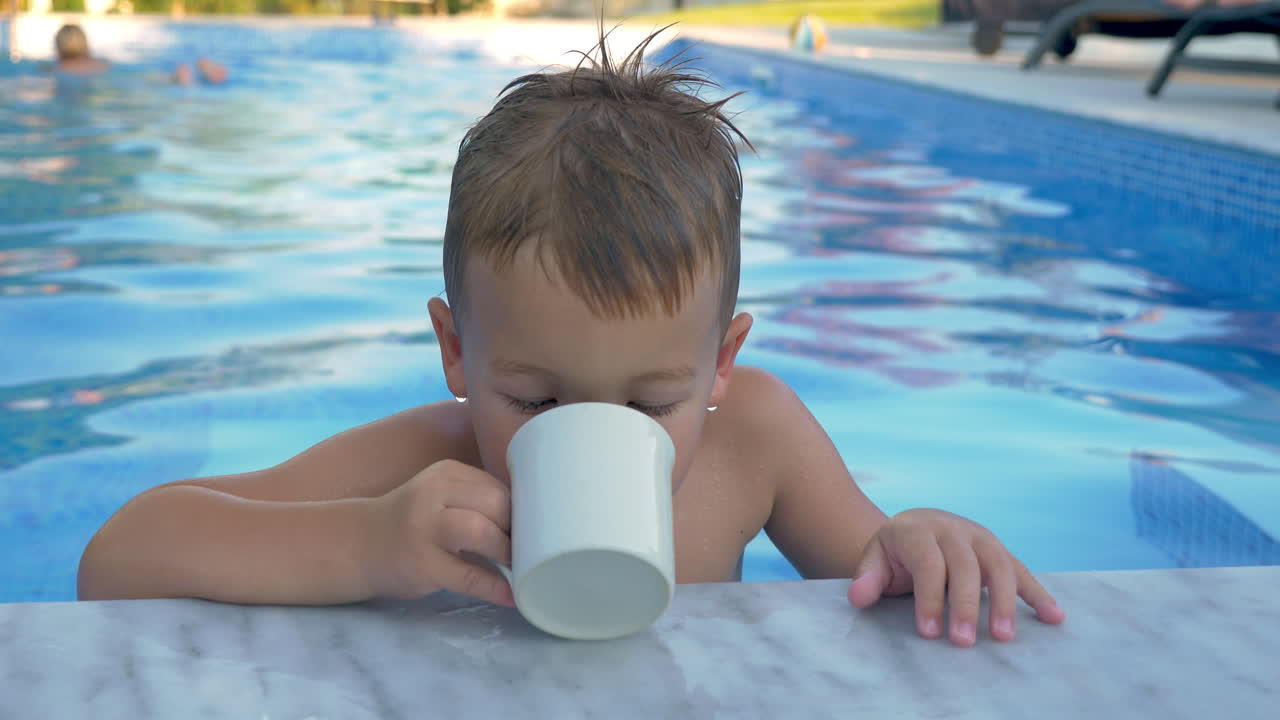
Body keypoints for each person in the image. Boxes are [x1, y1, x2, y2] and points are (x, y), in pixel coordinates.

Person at [76, 28, 1066, 647]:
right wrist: (367, 543)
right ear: (457, 352)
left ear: (718, 363)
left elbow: (868, 567)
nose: (596, 428)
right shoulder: (426, 462)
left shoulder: (757, 436)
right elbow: (120, 555)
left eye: (648, 403)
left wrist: (917, 542)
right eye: (538, 402)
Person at [51, 22, 227, 86]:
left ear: (58, 47)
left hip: (103, 83)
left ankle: (180, 80)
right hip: (113, 75)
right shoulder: (100, 63)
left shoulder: (56, 69)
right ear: (85, 44)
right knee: (150, 79)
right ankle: (179, 77)